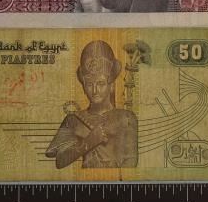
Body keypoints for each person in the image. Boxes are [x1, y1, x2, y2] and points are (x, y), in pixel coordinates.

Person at [45, 40, 138, 168]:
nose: (94, 91)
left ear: (111, 85)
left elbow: (131, 162)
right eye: (89, 84)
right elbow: (60, 161)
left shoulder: (126, 118)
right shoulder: (73, 119)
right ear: (83, 87)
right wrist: (88, 142)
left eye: (101, 83)